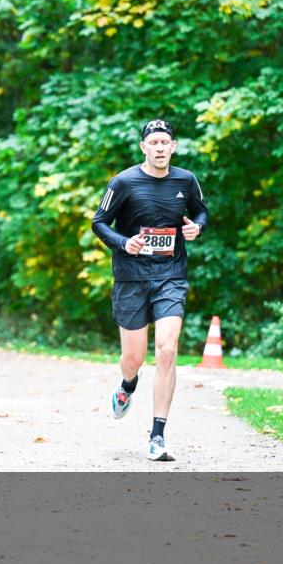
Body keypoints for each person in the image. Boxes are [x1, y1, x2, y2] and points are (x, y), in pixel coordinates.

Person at [91, 119, 209, 461]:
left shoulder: (185, 181)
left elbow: (201, 212)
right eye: (153, 142)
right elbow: (99, 222)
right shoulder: (124, 182)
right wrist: (124, 242)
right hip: (131, 277)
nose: (159, 148)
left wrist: (196, 230)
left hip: (171, 275)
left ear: (173, 146)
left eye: (165, 142)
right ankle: (128, 385)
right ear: (144, 147)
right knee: (134, 359)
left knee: (168, 350)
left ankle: (157, 435)